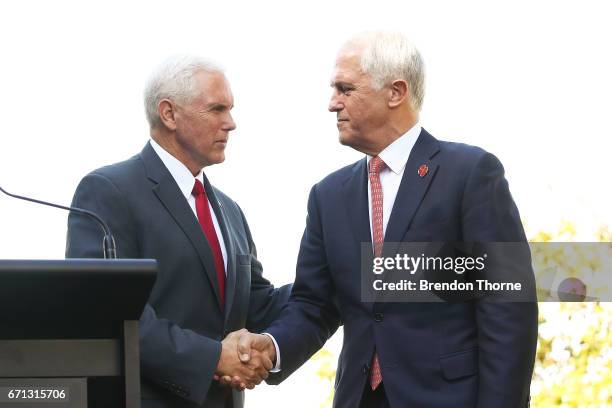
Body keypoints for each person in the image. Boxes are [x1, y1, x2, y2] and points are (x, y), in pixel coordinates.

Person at [234, 32, 538, 407]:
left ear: (395, 92)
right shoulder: (328, 197)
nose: (333, 104)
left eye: (345, 89)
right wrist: (273, 346)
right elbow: (314, 305)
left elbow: (507, 308)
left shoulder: (471, 174)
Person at [66, 55, 291, 408]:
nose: (230, 123)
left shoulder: (230, 211)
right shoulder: (109, 191)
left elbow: (258, 305)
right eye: (217, 109)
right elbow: (108, 312)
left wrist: (331, 278)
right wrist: (213, 357)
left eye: (230, 109)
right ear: (169, 113)